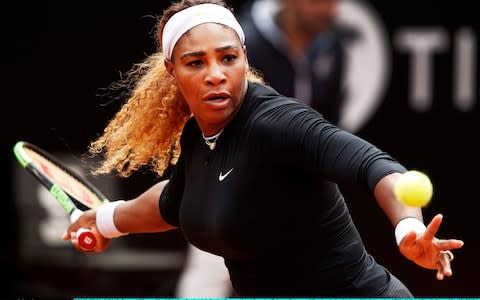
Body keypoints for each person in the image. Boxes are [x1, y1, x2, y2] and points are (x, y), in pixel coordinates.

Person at [64, 0, 464, 297]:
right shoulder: (196, 138)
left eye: (227, 58)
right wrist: (103, 221)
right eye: (195, 63)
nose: (215, 74)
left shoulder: (279, 122)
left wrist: (408, 227)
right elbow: (172, 201)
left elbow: (373, 165)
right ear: (172, 72)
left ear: (244, 58)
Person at [176, 0, 348, 296]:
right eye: (319, 1)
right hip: (231, 187)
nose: (330, 9)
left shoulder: (333, 48)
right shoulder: (245, 45)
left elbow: (327, 126)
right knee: (206, 283)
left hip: (295, 200)